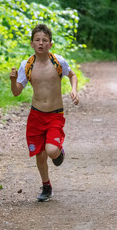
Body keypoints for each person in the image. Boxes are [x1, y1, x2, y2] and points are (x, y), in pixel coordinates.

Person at [10, 24, 79, 202]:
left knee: (51, 151)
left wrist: (74, 90)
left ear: (51, 44)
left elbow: (73, 75)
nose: (41, 43)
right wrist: (12, 80)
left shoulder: (58, 62)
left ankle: (59, 152)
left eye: (45, 40)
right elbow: (17, 91)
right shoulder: (27, 65)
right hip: (36, 115)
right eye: (37, 40)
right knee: (40, 154)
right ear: (32, 43)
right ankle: (46, 186)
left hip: (55, 114)